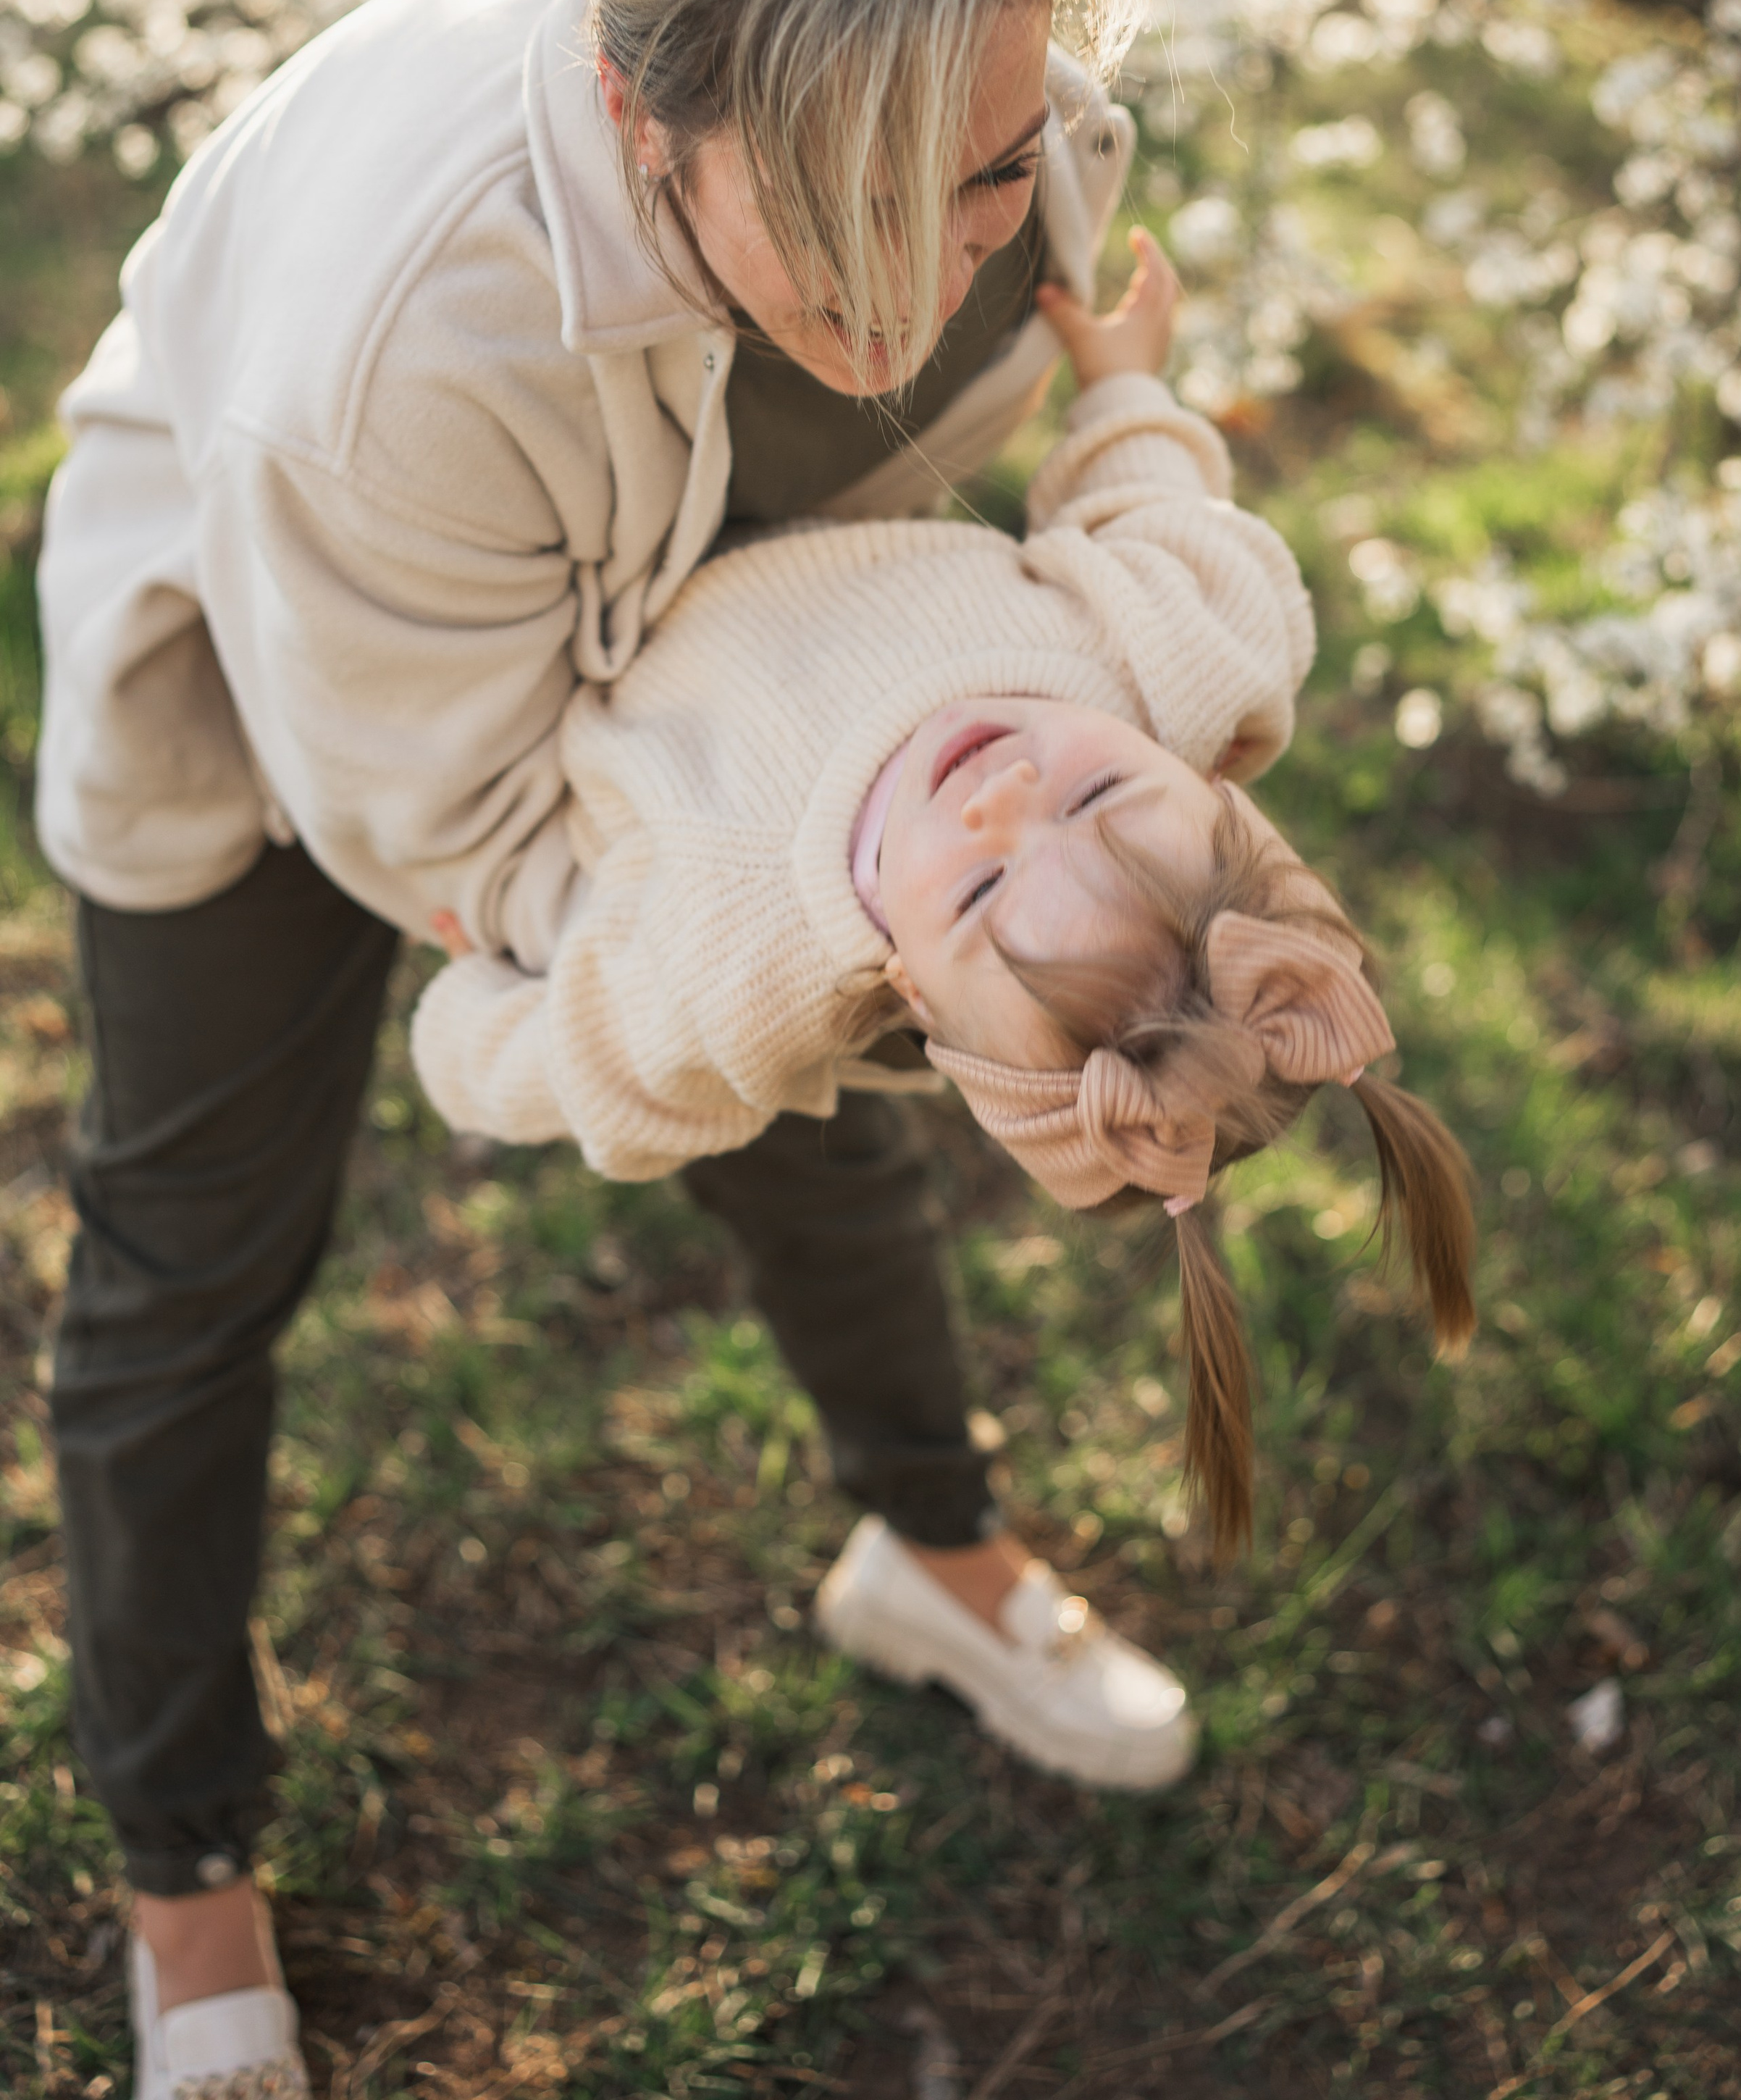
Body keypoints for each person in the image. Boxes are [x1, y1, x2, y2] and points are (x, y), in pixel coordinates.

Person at [33, 0, 1172, 2098]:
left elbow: (1083, 321)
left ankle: (935, 1547)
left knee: (801, 1122)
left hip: (684, 560)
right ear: (655, 101)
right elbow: (477, 861)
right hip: (293, 689)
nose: (927, 263)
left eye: (980, 169)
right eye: (863, 192)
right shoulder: (389, 360)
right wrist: (876, 938)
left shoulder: (995, 104)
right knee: (194, 1254)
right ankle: (186, 1879)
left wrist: (999, 817)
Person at [414, 222, 1477, 1603]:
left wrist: (472, 983)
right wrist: (1125, 387)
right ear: (1198, 762)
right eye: (1095, 788)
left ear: (910, 989)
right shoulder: (1169, 659)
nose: (1000, 797)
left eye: (977, 888)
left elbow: (590, 1069)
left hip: (589, 632)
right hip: (808, 477)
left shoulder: (747, 961)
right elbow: (1165, 522)